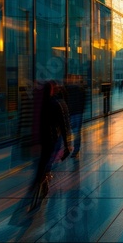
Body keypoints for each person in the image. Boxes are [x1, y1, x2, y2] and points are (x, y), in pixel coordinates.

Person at [31, 81, 71, 209]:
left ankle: (42, 180)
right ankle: (44, 179)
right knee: (47, 162)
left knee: (42, 162)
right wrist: (67, 144)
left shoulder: (39, 105)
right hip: (52, 139)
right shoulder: (56, 104)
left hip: (40, 139)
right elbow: (63, 126)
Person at [65, 79, 86, 158]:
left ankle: (69, 148)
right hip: (78, 113)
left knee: (70, 132)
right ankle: (75, 149)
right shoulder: (81, 90)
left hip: (71, 113)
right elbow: (83, 102)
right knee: (77, 132)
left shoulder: (68, 90)